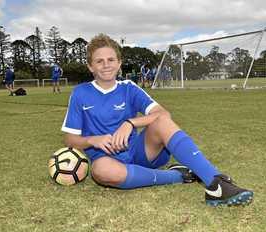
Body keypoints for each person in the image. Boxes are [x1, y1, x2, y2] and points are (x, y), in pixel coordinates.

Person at [61, 34, 253, 207]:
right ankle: (176, 176)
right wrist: (92, 140)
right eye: (99, 61)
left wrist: (131, 123)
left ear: (119, 63)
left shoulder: (129, 87)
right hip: (108, 160)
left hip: (139, 152)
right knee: (101, 171)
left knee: (161, 122)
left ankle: (215, 183)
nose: (106, 65)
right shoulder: (80, 93)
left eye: (111, 59)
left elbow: (163, 114)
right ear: (90, 66)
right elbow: (69, 139)